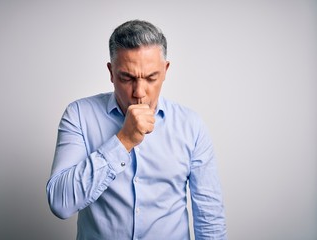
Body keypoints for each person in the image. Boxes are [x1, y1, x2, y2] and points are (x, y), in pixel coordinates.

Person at [47, 19, 227, 239]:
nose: (140, 93)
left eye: (151, 77)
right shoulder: (79, 115)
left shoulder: (191, 126)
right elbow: (60, 203)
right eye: (127, 78)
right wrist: (123, 141)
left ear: (165, 70)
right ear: (111, 72)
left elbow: (209, 219)